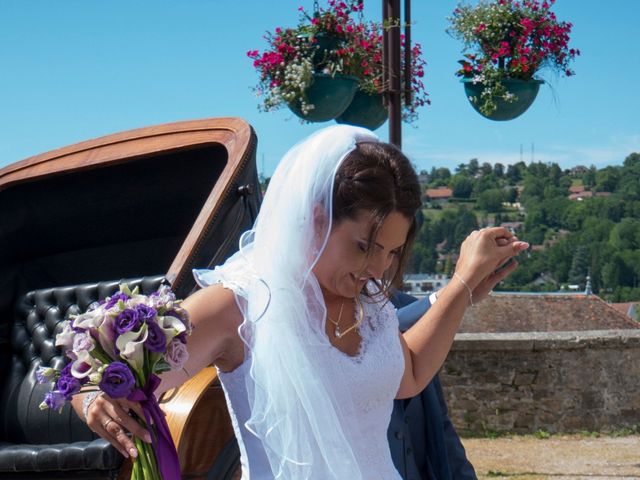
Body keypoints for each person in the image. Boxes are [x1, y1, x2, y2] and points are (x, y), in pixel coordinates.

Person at [71, 125, 527, 479]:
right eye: (365, 246)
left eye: (392, 252)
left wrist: (463, 286)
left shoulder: (370, 304)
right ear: (316, 218)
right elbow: (98, 368)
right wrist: (91, 395)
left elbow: (405, 376)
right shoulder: (239, 306)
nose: (378, 270)